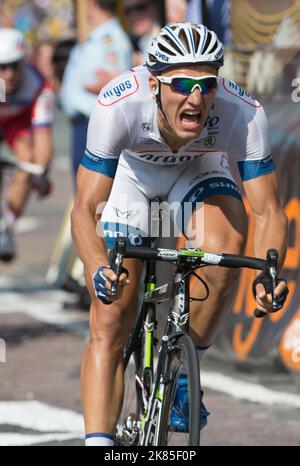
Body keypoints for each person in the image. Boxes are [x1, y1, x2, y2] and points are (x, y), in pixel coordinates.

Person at [71, 23, 289, 446]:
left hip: (198, 171)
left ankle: (186, 374)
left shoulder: (243, 112)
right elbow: (82, 210)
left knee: (225, 243)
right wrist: (98, 266)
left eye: (207, 84)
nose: (196, 98)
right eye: (182, 84)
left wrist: (268, 272)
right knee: (111, 314)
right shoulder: (119, 106)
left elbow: (268, 211)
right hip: (130, 180)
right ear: (153, 84)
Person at [60, 0, 133, 182]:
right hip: (83, 125)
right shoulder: (99, 37)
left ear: (91, 4)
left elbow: (119, 86)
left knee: (93, 196)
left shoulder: (111, 39)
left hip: (94, 125)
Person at [0, 28, 54, 262]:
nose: (9, 74)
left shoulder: (39, 86)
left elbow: (43, 137)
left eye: (15, 65)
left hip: (16, 124)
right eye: (2, 67)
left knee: (28, 159)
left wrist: (41, 173)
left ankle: (6, 229)